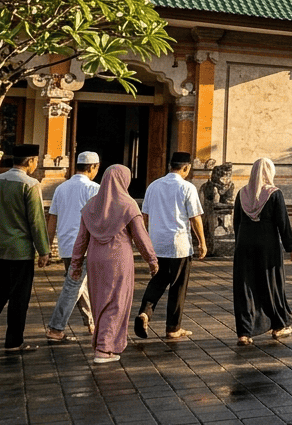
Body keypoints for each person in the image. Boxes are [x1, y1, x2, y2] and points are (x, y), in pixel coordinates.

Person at [69, 165, 158, 363]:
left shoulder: (91, 205)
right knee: (116, 302)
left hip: (94, 259)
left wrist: (75, 265)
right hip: (118, 259)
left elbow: (81, 239)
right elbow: (141, 237)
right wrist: (152, 260)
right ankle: (105, 348)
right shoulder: (128, 205)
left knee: (99, 301)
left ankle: (102, 342)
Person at [0, 144, 50, 353]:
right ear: (31, 161)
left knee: (2, 288)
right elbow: (36, 221)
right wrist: (43, 250)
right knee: (19, 295)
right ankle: (14, 341)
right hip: (20, 249)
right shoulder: (30, 184)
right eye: (36, 161)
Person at [135, 152, 207, 340]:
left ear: (170, 165)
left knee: (157, 282)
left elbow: (144, 217)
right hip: (179, 245)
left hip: (157, 243)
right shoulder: (187, 188)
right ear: (186, 168)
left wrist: (147, 242)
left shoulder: (153, 186)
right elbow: (195, 218)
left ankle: (144, 313)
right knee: (178, 286)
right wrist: (202, 242)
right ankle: (173, 328)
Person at [232, 158, 292, 345]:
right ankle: (278, 326)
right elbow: (282, 223)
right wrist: (291, 247)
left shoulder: (242, 194)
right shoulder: (274, 194)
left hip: (244, 246)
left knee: (245, 288)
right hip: (268, 248)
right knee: (271, 284)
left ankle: (244, 333)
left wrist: (240, 244)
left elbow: (237, 222)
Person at [44, 151, 100, 343]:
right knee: (73, 286)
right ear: (93, 167)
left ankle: (92, 322)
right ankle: (55, 327)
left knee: (77, 284)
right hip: (85, 247)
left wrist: (47, 246)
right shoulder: (95, 189)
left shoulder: (61, 188)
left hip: (67, 245)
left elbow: (52, 219)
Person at [199, 162, 235, 256]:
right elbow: (212, 201)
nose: (227, 178)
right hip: (210, 211)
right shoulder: (209, 186)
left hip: (224, 211)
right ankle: (210, 249)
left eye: (228, 175)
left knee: (227, 228)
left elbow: (230, 200)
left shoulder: (230, 185)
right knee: (211, 228)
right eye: (225, 175)